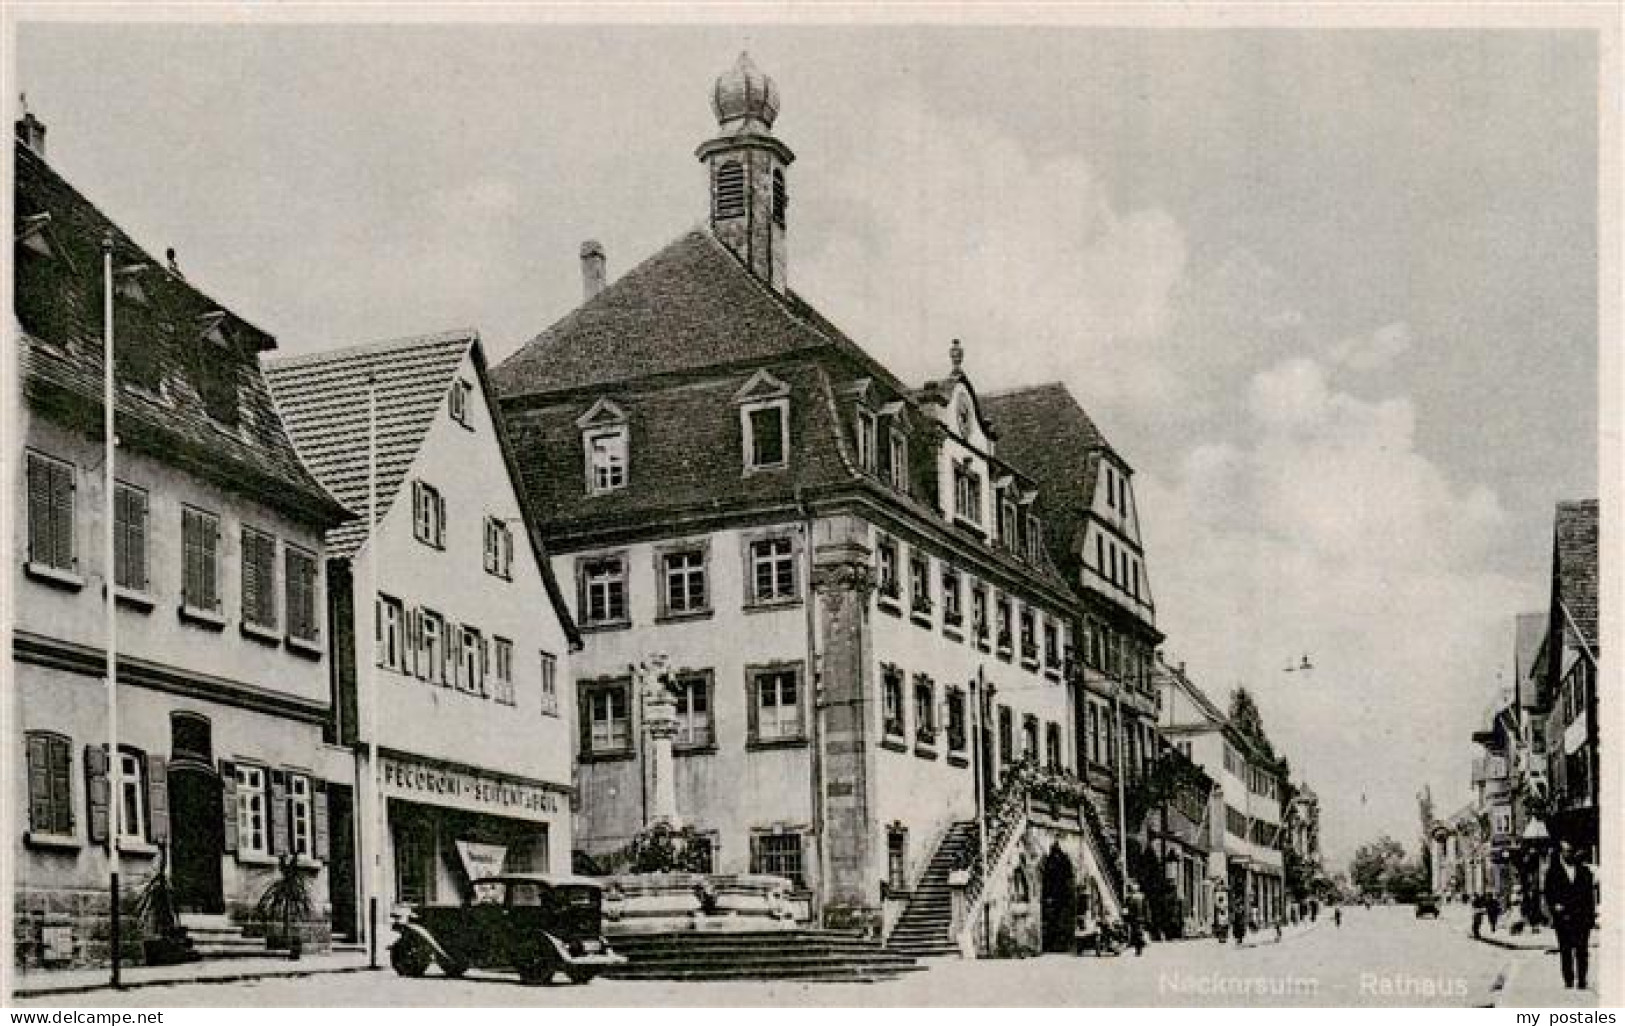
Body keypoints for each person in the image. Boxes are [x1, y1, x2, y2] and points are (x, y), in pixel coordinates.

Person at [1544, 841, 1596, 990]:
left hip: (1581, 916)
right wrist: (1554, 907)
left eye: (1571, 851)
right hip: (1563, 917)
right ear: (1561, 853)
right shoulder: (1553, 872)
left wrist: (1591, 917)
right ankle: (1568, 979)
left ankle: (1582, 980)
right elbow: (1548, 893)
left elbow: (1589, 896)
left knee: (1582, 949)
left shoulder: (1585, 871)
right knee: (1565, 949)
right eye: (1567, 851)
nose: (1570, 854)